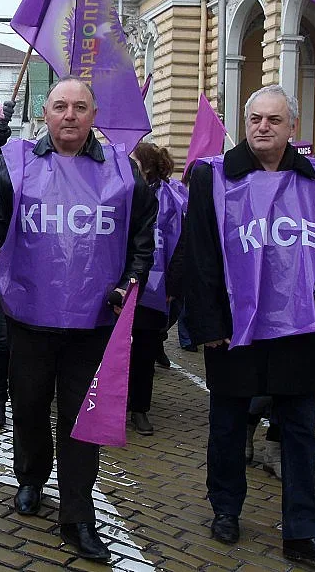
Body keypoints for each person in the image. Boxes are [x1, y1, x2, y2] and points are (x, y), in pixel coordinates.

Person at [0, 76, 157, 561]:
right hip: (29, 316)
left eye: (80, 107)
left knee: (80, 421)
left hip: (93, 320)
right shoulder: (15, 164)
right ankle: (30, 477)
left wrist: (130, 280)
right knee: (28, 406)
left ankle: (78, 515)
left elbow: (142, 237)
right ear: (45, 113)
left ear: (94, 115)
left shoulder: (124, 171)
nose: (69, 115)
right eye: (60, 106)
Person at [184, 84, 315, 569]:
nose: (262, 126)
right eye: (255, 118)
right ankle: (226, 509)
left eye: (273, 120)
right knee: (228, 424)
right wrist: (208, 323)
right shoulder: (212, 177)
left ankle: (303, 532)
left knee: (300, 430)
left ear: (292, 128)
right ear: (245, 122)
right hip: (234, 327)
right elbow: (199, 255)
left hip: (297, 329)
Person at [128, 142, 186, 436]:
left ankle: (140, 408)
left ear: (147, 168)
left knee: (144, 352)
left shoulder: (172, 198)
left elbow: (180, 243)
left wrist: (172, 286)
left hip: (154, 288)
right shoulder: (121, 190)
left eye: (133, 161)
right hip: (122, 284)